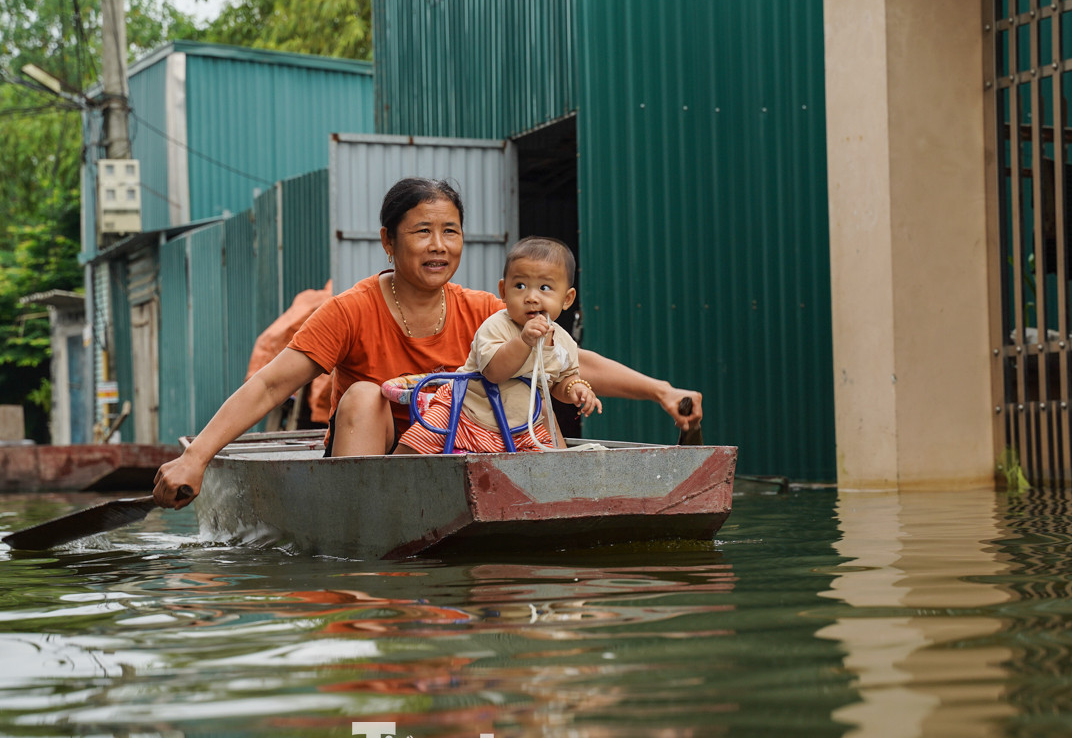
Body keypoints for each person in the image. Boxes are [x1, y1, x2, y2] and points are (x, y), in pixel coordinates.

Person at [152, 177, 703, 509]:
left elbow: (571, 358)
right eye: (422, 232)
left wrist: (659, 391)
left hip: (463, 466)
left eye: (451, 231)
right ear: (389, 242)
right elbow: (271, 383)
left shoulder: (486, 311)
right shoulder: (350, 309)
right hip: (377, 470)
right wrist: (196, 457)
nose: (439, 246)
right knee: (367, 394)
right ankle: (363, 530)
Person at [395, 236, 600, 454]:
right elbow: (494, 372)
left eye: (545, 287)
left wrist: (575, 389)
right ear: (503, 291)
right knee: (418, 443)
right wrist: (523, 342)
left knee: (548, 466)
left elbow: (560, 381)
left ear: (567, 299)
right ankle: (393, 479)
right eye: (520, 286)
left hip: (522, 427)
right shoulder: (496, 325)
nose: (531, 297)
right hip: (465, 411)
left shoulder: (564, 342)